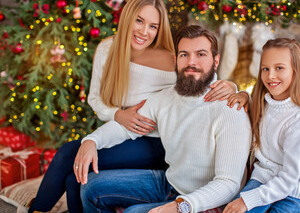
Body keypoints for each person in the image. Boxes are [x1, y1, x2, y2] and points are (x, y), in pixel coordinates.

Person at [29, 0, 247, 213]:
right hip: (128, 130)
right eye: (139, 21)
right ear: (128, 18)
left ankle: (35, 209)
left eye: (153, 26)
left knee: (69, 157)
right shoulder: (108, 49)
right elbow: (96, 99)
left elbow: (197, 82)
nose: (144, 31)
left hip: (157, 141)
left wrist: (235, 88)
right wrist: (114, 119)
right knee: (75, 176)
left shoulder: (171, 60)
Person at [79, 25, 252, 213]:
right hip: (170, 183)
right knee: (91, 188)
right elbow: (126, 128)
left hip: (208, 200)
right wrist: (91, 140)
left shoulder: (230, 109)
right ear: (176, 60)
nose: (191, 62)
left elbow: (228, 184)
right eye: (184, 54)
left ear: (216, 60)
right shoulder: (164, 98)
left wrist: (181, 205)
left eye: (201, 54)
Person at [224, 38, 300, 213]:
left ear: (295, 71)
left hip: (294, 191)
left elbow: (288, 180)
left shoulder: (299, 122)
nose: (270, 76)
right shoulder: (264, 104)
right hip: (262, 178)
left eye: (279, 68)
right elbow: (259, 111)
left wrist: (247, 201)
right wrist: (245, 95)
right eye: (265, 69)